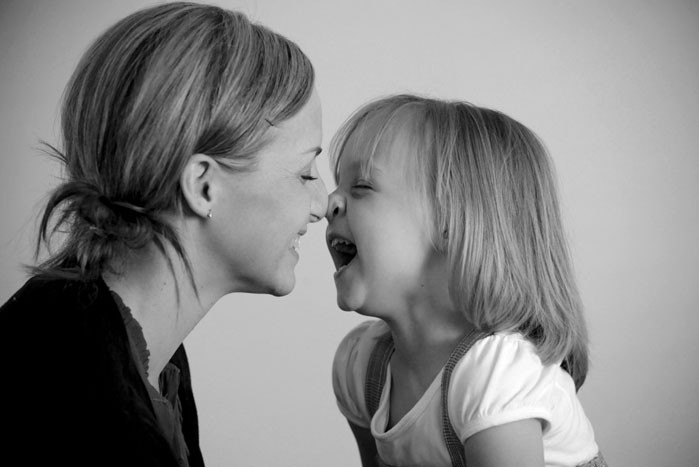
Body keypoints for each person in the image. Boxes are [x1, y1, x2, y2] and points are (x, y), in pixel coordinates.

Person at [0, 3, 327, 466]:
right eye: (305, 173)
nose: (321, 206)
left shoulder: (143, 358)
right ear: (203, 186)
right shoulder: (82, 407)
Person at [326, 94, 606, 467]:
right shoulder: (360, 366)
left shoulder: (495, 375)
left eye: (361, 186)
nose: (329, 201)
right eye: (337, 184)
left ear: (451, 222)